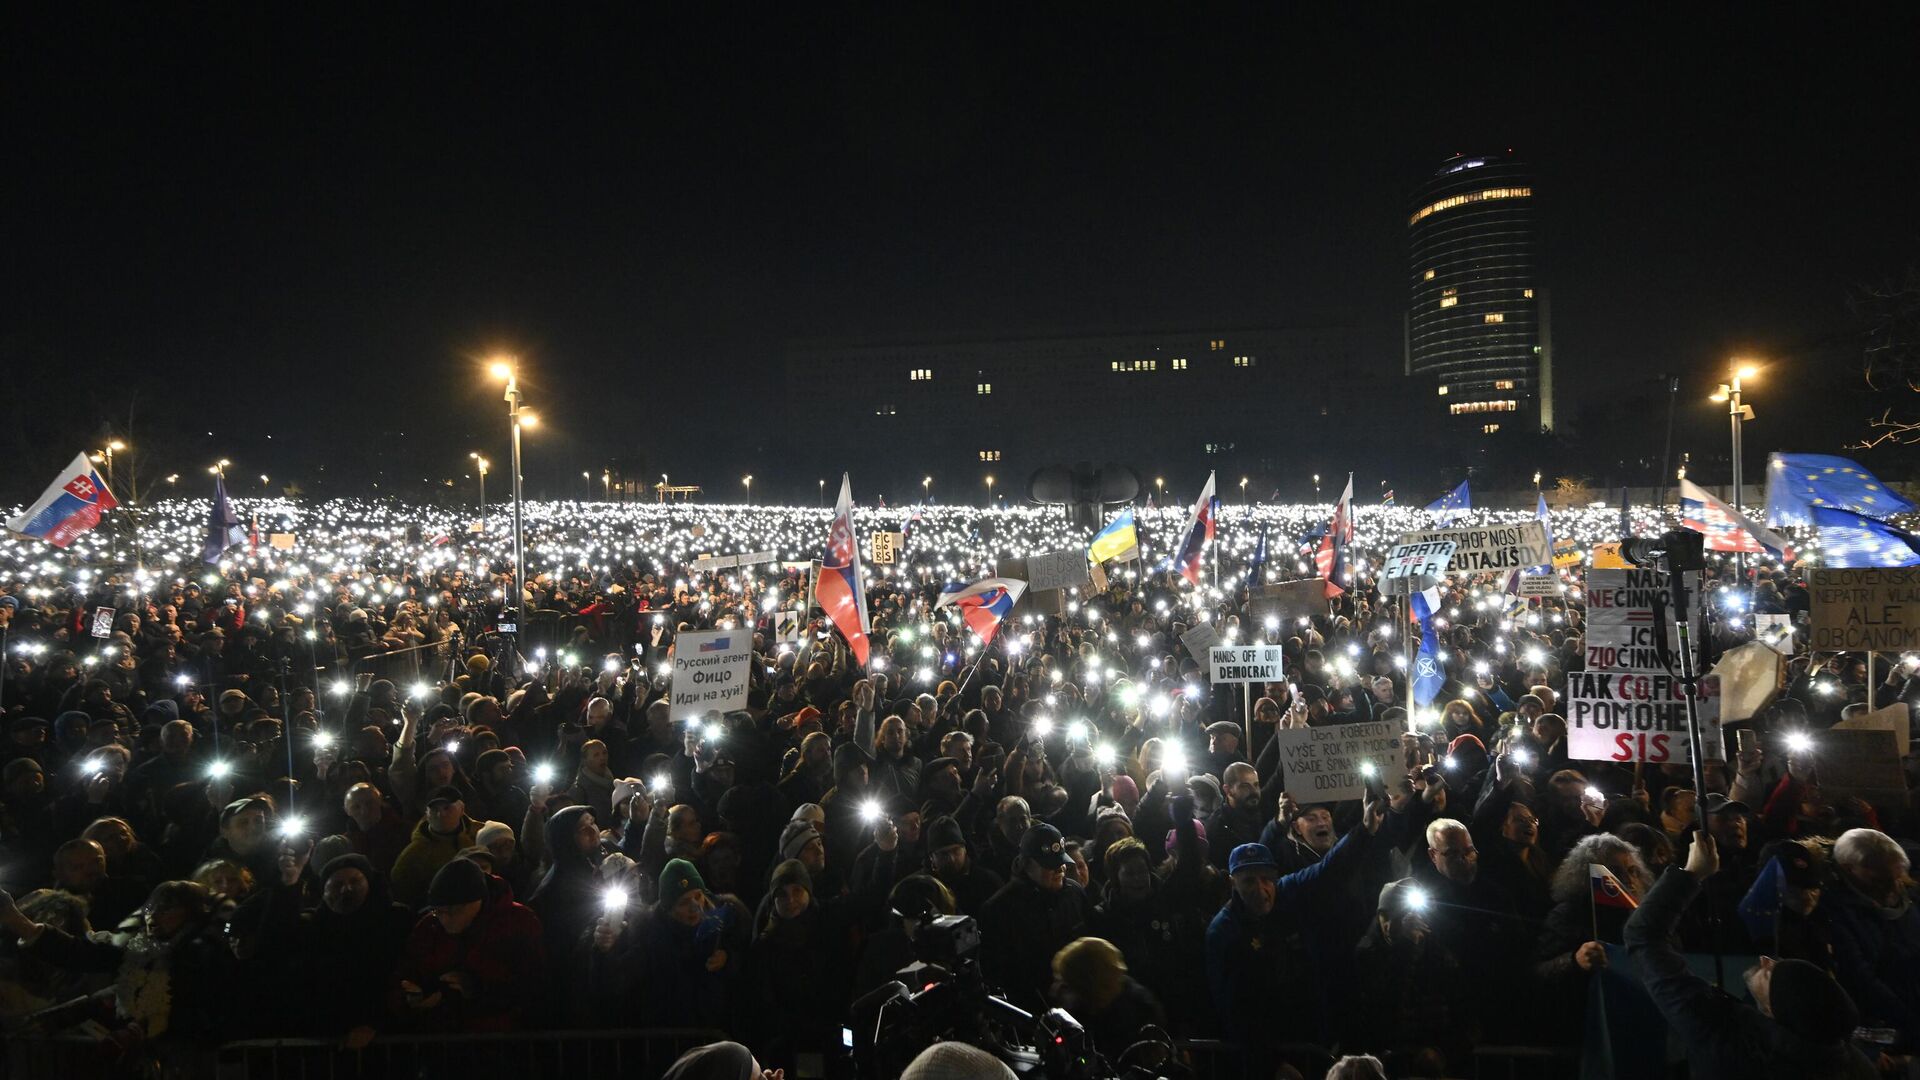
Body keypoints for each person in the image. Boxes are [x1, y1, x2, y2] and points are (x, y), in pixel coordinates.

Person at [1624, 833, 1877, 1079]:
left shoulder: (1724, 1038)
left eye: (1771, 977)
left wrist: (1692, 874)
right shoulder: (1853, 1064)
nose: (1766, 961)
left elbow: (1644, 937)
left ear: (1771, 1011)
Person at [390, 857, 547, 1032]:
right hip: (440, 1040)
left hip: (500, 1038)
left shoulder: (518, 922)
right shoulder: (429, 926)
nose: (445, 919)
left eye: (454, 911)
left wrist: (479, 990)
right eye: (438, 911)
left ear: (478, 900)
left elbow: (534, 985)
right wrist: (412, 996)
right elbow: (407, 972)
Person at [1824, 827, 1919, 1050]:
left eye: (1898, 878)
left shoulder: (1908, 896)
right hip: (1886, 1023)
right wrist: (1911, 1020)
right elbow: (1861, 978)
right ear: (1850, 870)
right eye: (1881, 879)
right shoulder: (1836, 912)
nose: (1893, 887)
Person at [979, 823, 1090, 1009]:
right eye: (1049, 865)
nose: (1059, 869)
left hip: (1079, 1001)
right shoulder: (1000, 910)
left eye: (1061, 862)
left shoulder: (1074, 894)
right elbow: (998, 972)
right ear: (1026, 864)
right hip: (1033, 1009)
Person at [389, 787, 481, 909]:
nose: (441, 814)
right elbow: (402, 892)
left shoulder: (481, 835)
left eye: (447, 808)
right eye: (434, 809)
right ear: (426, 814)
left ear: (462, 809)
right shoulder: (415, 853)